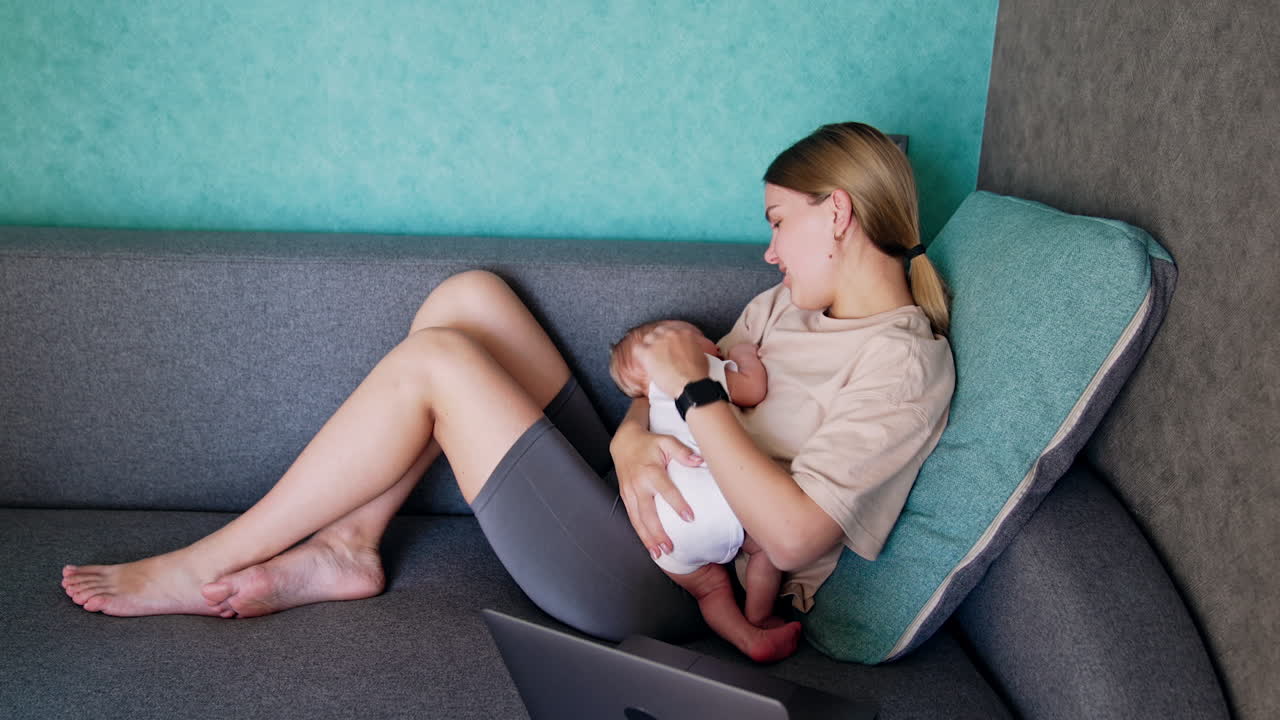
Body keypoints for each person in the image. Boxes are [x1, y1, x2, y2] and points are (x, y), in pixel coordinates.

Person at [60, 122, 955, 658]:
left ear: (836, 213)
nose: (767, 251)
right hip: (643, 497)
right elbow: (656, 372)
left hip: (667, 580)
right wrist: (631, 436)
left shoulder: (904, 362)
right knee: (467, 299)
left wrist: (691, 397)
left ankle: (205, 562)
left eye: (778, 223)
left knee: (435, 364)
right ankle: (349, 547)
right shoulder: (779, 310)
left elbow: (797, 532)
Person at [609, 319, 800, 661]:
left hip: (664, 527)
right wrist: (744, 355)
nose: (711, 340)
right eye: (697, 336)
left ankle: (747, 640)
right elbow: (753, 389)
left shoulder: (648, 408)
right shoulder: (699, 371)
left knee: (710, 591)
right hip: (720, 502)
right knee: (766, 549)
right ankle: (760, 615)